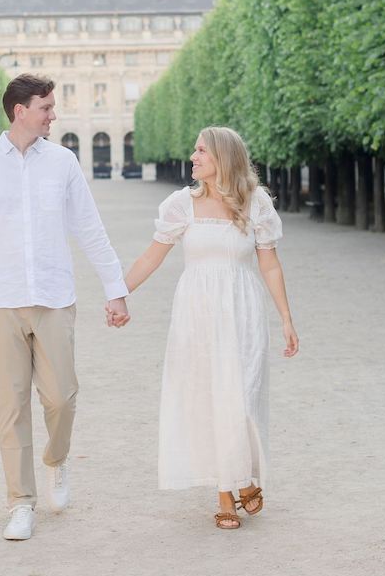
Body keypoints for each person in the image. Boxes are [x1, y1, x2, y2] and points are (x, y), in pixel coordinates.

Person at [0, 73, 131, 541]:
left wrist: (115, 287)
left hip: (54, 297)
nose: (54, 115)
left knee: (61, 398)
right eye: (47, 108)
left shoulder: (64, 162)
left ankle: (56, 458)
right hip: (0, 299)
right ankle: (20, 502)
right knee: (10, 407)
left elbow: (89, 227)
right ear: (20, 111)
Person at [112, 126, 298, 529]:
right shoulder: (182, 204)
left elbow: (269, 263)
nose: (193, 157)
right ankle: (225, 494)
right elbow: (152, 256)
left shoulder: (257, 204)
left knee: (243, 397)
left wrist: (285, 316)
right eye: (194, 150)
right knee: (212, 397)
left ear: (223, 158)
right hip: (197, 312)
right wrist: (118, 292)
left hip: (243, 309)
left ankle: (243, 476)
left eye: (201, 151)